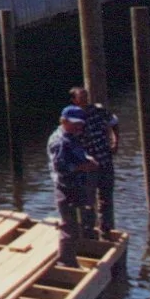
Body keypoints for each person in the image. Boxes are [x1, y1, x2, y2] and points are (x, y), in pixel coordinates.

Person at [48, 106, 100, 267]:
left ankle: (78, 252)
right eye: (75, 123)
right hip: (66, 188)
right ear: (63, 121)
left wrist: (87, 159)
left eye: (80, 124)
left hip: (77, 185)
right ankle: (66, 262)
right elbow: (60, 168)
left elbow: (78, 154)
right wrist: (83, 167)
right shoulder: (59, 142)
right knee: (69, 226)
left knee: (84, 218)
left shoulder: (72, 136)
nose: (79, 127)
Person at [69, 85, 119, 236]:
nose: (85, 100)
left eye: (86, 97)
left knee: (106, 198)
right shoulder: (73, 118)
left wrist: (115, 142)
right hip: (88, 165)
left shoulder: (98, 111)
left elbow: (114, 122)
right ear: (74, 100)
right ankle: (88, 231)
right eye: (81, 97)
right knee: (87, 200)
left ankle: (106, 229)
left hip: (104, 160)